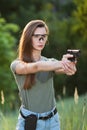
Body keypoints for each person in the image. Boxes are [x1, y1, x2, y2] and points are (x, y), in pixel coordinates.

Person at [10, 19, 77, 130]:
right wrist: (60, 63)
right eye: (36, 36)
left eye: (44, 36)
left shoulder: (50, 62)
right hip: (30, 122)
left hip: (53, 122)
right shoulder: (17, 64)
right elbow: (37, 66)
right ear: (28, 38)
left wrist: (70, 65)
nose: (41, 39)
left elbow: (66, 70)